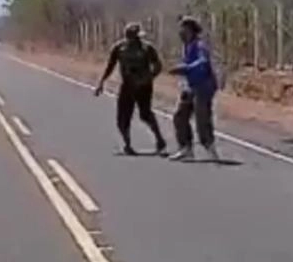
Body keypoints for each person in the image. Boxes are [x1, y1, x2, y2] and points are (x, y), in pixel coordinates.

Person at [94, 22, 168, 156]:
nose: (137, 39)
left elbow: (158, 65)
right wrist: (101, 82)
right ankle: (127, 144)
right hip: (127, 86)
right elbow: (110, 65)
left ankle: (159, 139)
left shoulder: (147, 48)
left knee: (145, 114)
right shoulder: (119, 48)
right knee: (123, 117)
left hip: (144, 86)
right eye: (135, 37)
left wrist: (149, 77)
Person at [168, 16, 219, 161]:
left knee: (202, 117)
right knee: (180, 115)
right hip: (190, 86)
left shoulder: (200, 45)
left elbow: (203, 62)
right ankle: (186, 148)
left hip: (204, 86)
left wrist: (186, 68)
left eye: (183, 29)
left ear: (190, 30)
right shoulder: (186, 46)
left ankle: (209, 147)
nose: (180, 32)